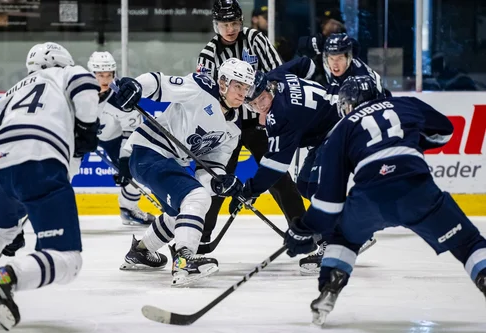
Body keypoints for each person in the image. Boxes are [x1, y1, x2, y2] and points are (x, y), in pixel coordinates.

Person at [283, 76, 486, 326]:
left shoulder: (342, 128)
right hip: (415, 188)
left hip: (369, 197)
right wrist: (411, 143)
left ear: (348, 104)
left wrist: (304, 229)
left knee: (343, 236)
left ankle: (329, 287)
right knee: (468, 242)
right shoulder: (406, 104)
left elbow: (329, 204)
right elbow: (445, 130)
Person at [0, 42, 101, 330]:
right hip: (39, 158)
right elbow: (85, 83)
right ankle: (7, 277)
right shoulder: (64, 74)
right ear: (62, 60)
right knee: (67, 258)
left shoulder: (8, 96)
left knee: (1, 230)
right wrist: (87, 128)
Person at [115, 58, 255, 286]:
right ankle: (184, 260)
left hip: (168, 162)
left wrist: (221, 182)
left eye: (246, 88)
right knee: (196, 197)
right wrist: (136, 86)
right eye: (237, 86)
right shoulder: (200, 87)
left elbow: (210, 168)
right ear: (223, 82)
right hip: (148, 152)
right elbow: (159, 82)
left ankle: (140, 251)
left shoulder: (233, 129)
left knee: (182, 212)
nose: (242, 93)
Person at [197, 0, 305, 247]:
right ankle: (198, 239)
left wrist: (272, 113)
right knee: (217, 181)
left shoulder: (255, 39)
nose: (230, 28)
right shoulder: (208, 54)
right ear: (216, 25)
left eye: (234, 22)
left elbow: (278, 74)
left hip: (259, 123)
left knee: (278, 176)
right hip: (226, 127)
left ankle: (305, 231)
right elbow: (205, 95)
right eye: (225, 24)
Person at [227, 56, 340, 275]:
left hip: (341, 130)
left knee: (317, 189)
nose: (260, 104)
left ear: (268, 88)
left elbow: (275, 167)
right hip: (329, 128)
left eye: (262, 97)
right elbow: (306, 63)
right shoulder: (276, 76)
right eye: (253, 102)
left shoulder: (283, 114)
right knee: (306, 185)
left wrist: (251, 189)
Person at [87, 51, 156, 225]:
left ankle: (128, 208)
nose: (105, 80)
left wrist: (125, 161)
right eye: (100, 75)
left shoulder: (121, 98)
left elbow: (131, 131)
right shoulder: (77, 92)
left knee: (135, 168)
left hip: (114, 138)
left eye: (109, 75)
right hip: (81, 135)